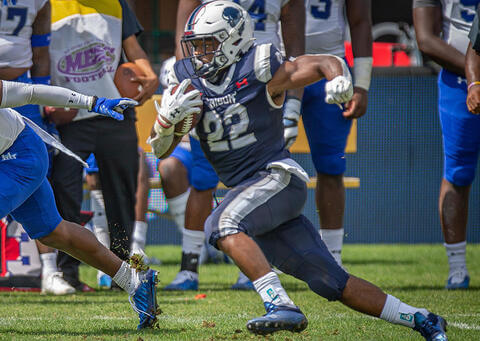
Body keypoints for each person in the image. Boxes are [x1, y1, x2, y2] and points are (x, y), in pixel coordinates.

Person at [148, 2, 448, 339]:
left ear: (231, 40)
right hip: (251, 194)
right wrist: (165, 124)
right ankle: (422, 319)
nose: (200, 53)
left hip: (275, 177)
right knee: (331, 282)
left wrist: (339, 79)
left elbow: (323, 61)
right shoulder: (190, 80)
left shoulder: (260, 66)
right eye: (197, 45)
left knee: (221, 224)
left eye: (208, 43)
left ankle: (280, 304)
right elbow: (160, 151)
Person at [162, 0, 305, 291]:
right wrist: (188, 87)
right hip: (212, 80)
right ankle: (190, 266)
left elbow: (295, 45)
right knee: (203, 177)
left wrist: (292, 103)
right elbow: (185, 38)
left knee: (254, 178)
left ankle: (252, 264)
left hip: (260, 81)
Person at [0, 79, 158, 329]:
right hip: (12, 152)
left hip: (19, 155)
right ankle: (135, 281)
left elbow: (32, 92)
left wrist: (93, 102)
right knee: (55, 233)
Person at [48, 0, 160, 291]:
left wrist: (149, 74)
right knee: (64, 191)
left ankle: (121, 272)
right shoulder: (47, 4)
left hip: (115, 112)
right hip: (68, 116)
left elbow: (133, 50)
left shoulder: (117, 3)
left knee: (121, 194)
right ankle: (66, 273)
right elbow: (37, 54)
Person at [0, 0, 76, 295]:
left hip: (18, 87)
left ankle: (49, 271)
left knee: (38, 180)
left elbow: (40, 50)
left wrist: (43, 92)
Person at [413, 0, 479, 290]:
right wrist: (474, 76)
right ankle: (457, 268)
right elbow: (426, 40)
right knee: (458, 172)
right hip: (459, 81)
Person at [301, 0, 372, 267]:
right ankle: (261, 255)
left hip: (332, 72)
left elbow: (360, 21)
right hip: (281, 67)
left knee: (331, 166)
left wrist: (362, 85)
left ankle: (333, 258)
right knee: (265, 167)